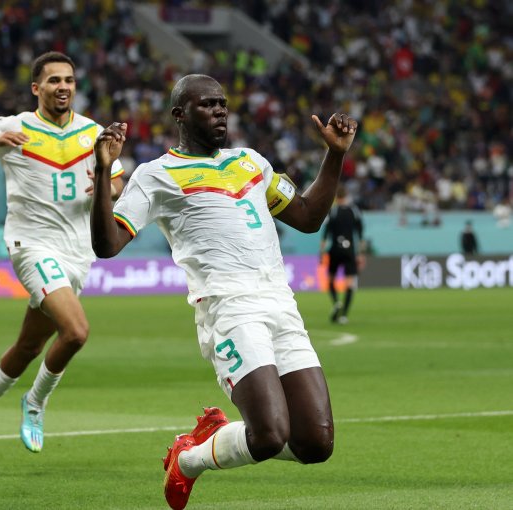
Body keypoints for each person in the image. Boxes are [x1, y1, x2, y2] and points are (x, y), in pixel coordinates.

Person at [89, 74, 357, 510]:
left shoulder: (252, 162)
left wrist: (334, 155)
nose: (219, 112)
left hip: (280, 305)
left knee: (316, 443)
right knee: (269, 435)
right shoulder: (156, 176)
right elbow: (107, 245)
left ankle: (212, 438)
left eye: (223, 104)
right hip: (228, 308)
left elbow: (307, 217)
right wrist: (103, 170)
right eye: (207, 105)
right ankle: (189, 460)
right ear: (179, 114)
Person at [0, 51, 125, 455]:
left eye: (69, 80)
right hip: (31, 244)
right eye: (54, 80)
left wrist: (108, 187)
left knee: (28, 346)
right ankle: (35, 402)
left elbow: (117, 184)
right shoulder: (15, 126)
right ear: (36, 88)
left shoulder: (93, 133)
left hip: (77, 251)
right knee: (76, 332)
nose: (63, 87)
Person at [319, 185, 364, 324]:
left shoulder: (332, 212)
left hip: (335, 250)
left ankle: (336, 302)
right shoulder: (354, 211)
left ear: (336, 198)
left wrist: (321, 253)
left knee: (331, 280)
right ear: (346, 196)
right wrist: (360, 253)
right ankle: (344, 315)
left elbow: (325, 234)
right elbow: (360, 233)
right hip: (349, 251)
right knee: (350, 284)